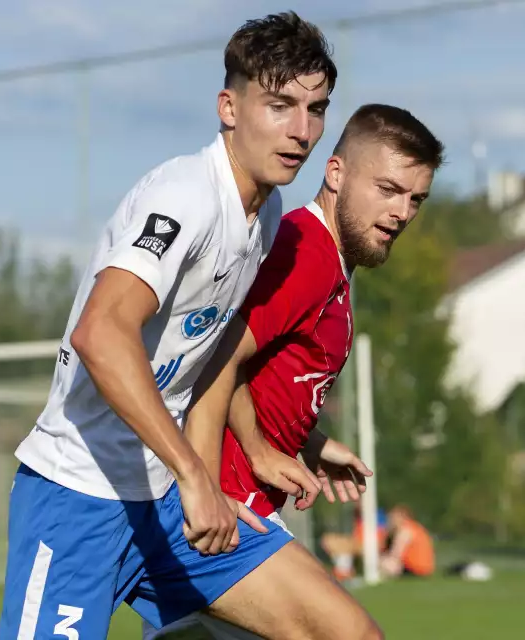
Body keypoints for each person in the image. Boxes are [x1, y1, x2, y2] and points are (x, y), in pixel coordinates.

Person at [0, 12, 353, 640]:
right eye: (279, 105)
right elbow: (101, 333)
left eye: (315, 109)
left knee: (342, 631)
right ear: (229, 107)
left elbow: (211, 354)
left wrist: (269, 447)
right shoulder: (185, 194)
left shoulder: (264, 213)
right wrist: (195, 473)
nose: (302, 131)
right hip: (80, 495)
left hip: (165, 504)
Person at [146, 104, 444, 639]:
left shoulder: (329, 267)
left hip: (238, 511)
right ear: (336, 173)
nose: (402, 212)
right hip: (228, 514)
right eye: (388, 189)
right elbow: (216, 357)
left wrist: (308, 443)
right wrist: (217, 482)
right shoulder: (303, 252)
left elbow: (253, 377)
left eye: (415, 199)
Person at [379, 505, 435, 578]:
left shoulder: (405, 531)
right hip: (425, 569)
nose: (390, 521)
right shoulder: (414, 527)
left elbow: (395, 555)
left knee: (381, 561)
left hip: (414, 568)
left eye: (392, 518)